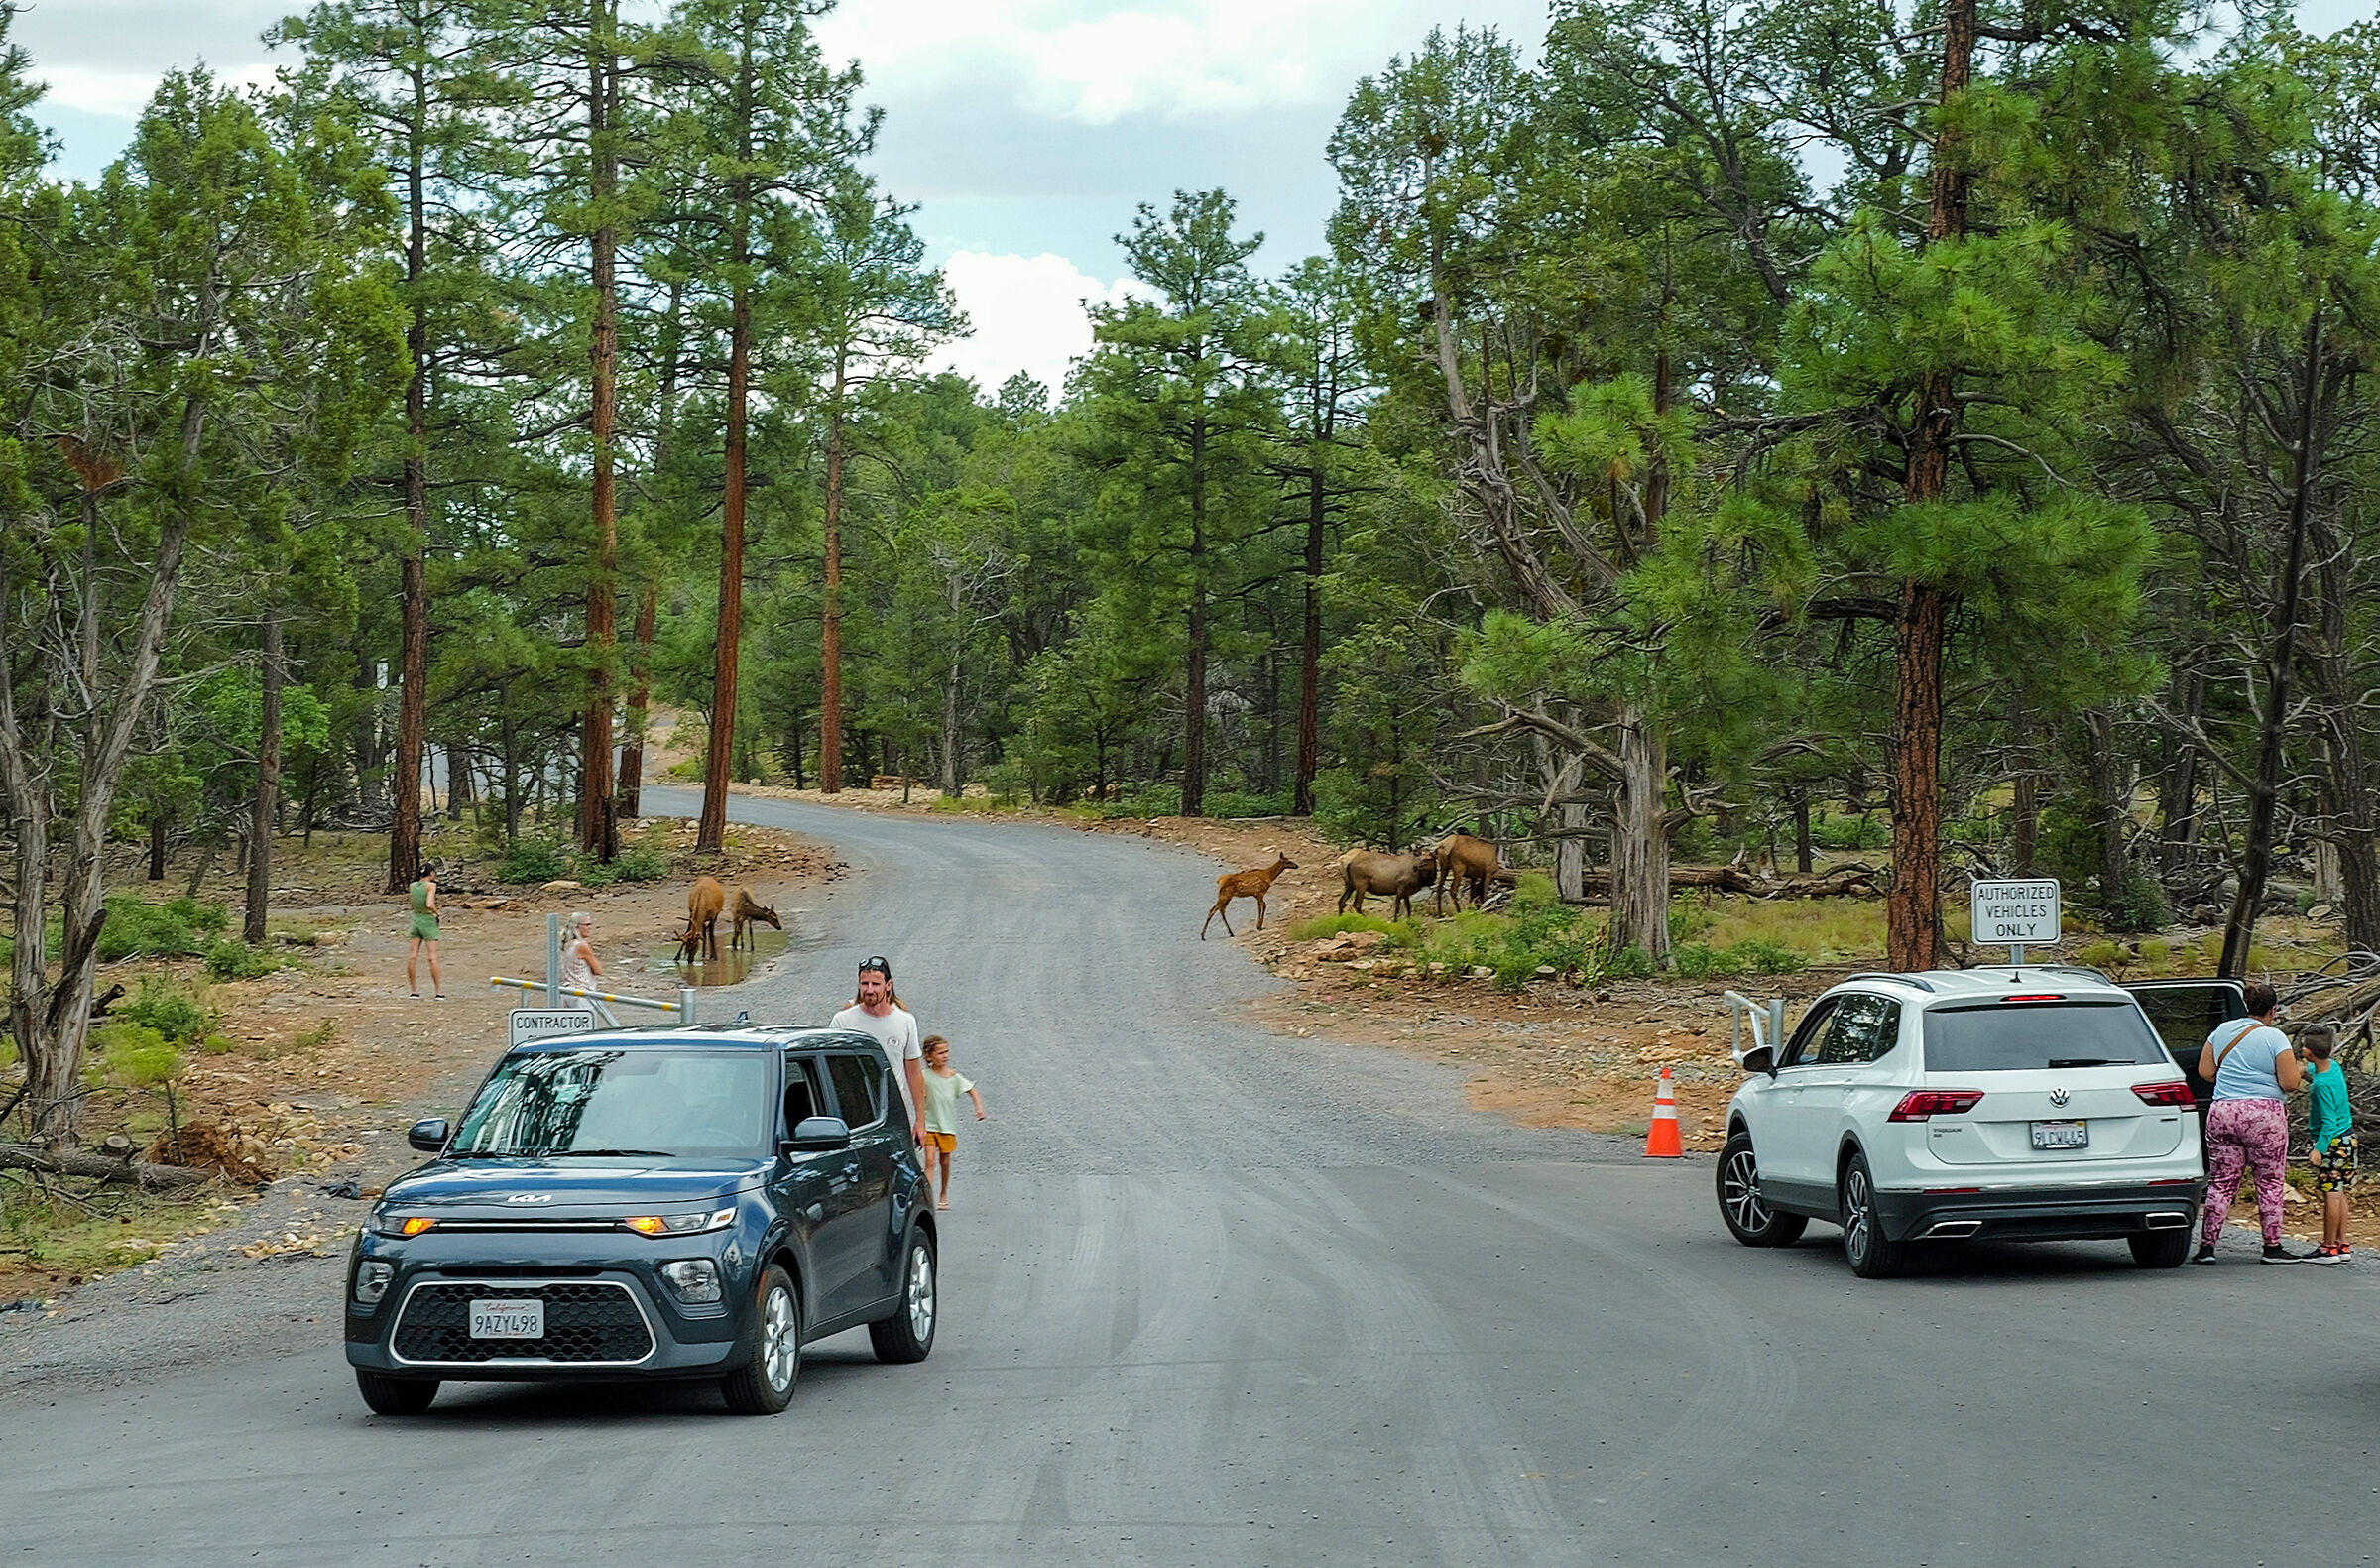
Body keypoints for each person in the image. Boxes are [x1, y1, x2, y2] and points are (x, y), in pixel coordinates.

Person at [2195, 980, 2309, 1264]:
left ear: (2246, 1005)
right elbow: (2290, 1082)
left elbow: (2206, 1071)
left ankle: (2207, 1247)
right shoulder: (2275, 1038)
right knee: (2269, 1180)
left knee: (2221, 1181)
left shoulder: (2221, 1032)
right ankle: (2272, 1246)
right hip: (2263, 1116)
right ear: (2272, 1010)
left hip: (2223, 1112)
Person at [830, 956, 927, 1150]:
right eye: (864, 983)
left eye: (875, 984)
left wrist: (920, 1121)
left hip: (892, 1115)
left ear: (888, 985)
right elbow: (831, 1071)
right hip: (854, 1118)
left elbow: (914, 1073)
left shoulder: (905, 1022)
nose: (869, 989)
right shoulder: (842, 1021)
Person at [2304, 1025, 2354, 1263]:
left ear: (2308, 1051)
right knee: (2340, 1191)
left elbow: (2329, 1122)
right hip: (2349, 1138)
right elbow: (2316, 1069)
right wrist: (2304, 1071)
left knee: (2331, 1193)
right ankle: (2343, 1243)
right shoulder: (2334, 1067)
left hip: (2333, 1142)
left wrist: (2319, 1149)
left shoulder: (2321, 1085)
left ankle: (2328, 1246)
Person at [918, 1034, 985, 1211]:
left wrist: (979, 1107)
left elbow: (971, 1090)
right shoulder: (924, 1076)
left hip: (947, 1126)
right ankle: (927, 1197)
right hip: (929, 1126)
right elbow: (918, 1096)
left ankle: (943, 1194)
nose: (945, 1056)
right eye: (940, 1053)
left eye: (946, 1052)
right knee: (930, 1161)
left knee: (945, 1162)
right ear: (928, 1056)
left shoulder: (953, 1076)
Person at [406, 865, 444, 1001]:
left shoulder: (412, 886)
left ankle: (414, 991)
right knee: (432, 957)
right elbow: (429, 903)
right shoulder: (431, 886)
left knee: (412, 956)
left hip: (416, 919)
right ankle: (439, 992)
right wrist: (437, 913)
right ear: (432, 873)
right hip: (428, 920)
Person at [558, 911, 603, 992]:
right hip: (582, 990)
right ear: (577, 926)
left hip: (567, 989)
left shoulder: (566, 944)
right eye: (587, 925)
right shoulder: (582, 946)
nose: (590, 928)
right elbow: (598, 970)